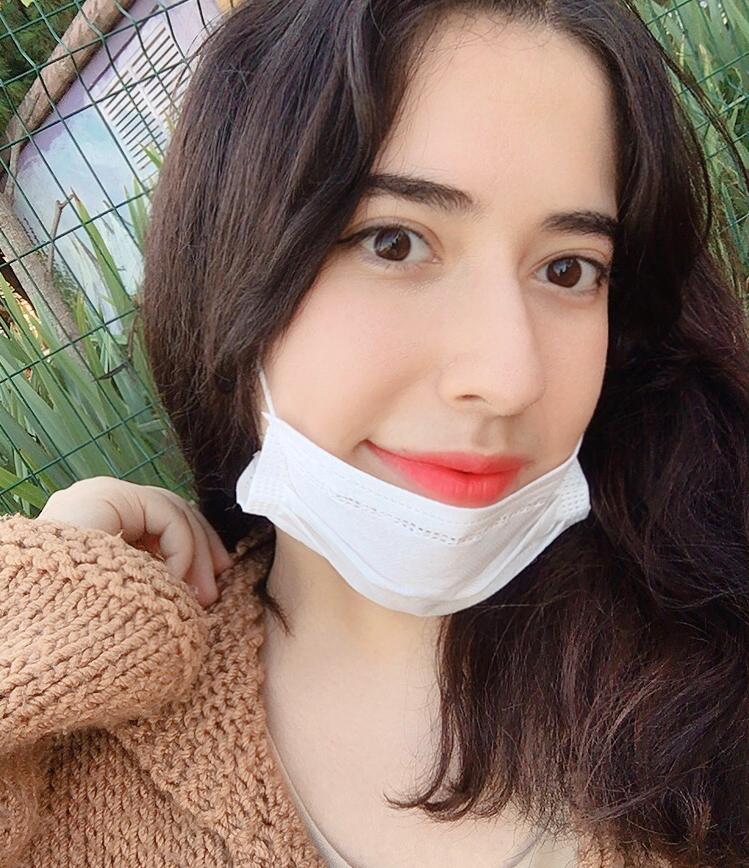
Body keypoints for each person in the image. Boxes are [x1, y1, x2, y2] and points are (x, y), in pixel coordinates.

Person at [1, 0, 747, 865]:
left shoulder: (713, 650)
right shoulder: (85, 741)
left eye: (568, 269)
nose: (508, 375)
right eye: (393, 243)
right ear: (229, 266)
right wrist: (40, 617)